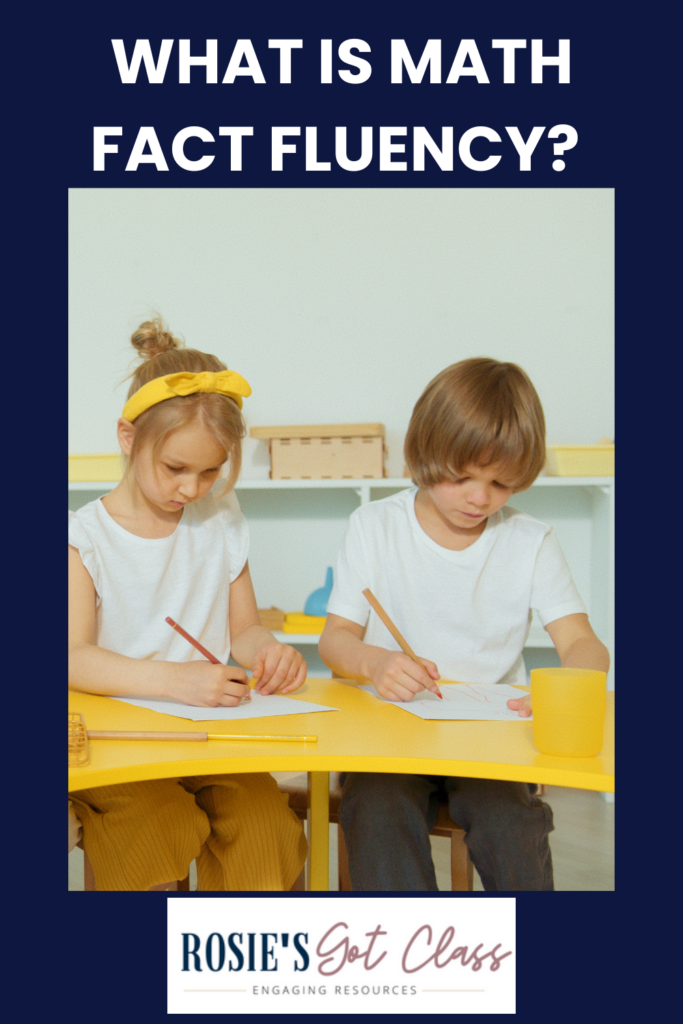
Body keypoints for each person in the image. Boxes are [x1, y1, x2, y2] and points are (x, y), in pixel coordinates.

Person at [318, 357, 609, 891]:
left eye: (501, 483)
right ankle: (409, 958)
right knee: (378, 809)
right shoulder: (375, 526)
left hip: (488, 736)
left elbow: (583, 643)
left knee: (508, 819)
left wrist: (567, 691)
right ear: (426, 453)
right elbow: (336, 640)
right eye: (461, 478)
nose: (480, 498)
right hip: (390, 729)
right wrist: (377, 663)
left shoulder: (531, 541)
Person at [69, 317, 307, 891]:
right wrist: (175, 681)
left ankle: (236, 971)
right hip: (118, 740)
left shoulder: (221, 522)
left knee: (264, 825)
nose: (192, 489)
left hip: (209, 733)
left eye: (211, 471)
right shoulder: (85, 537)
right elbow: (71, 656)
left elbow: (244, 629)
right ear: (128, 437)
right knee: (158, 826)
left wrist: (269, 651)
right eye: (176, 468)